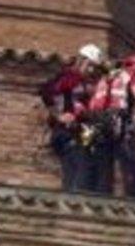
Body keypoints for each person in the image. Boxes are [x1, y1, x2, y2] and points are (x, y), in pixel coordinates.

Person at [82, 54, 135, 197]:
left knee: (97, 155)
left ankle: (98, 192)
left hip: (95, 122)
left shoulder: (106, 75)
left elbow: (84, 77)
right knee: (125, 157)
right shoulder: (132, 76)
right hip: (115, 121)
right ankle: (131, 194)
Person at [39, 44, 102, 191]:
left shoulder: (83, 83)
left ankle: (72, 197)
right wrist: (59, 116)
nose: (92, 71)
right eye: (90, 65)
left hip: (79, 133)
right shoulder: (68, 78)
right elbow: (46, 97)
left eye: (95, 68)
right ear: (82, 60)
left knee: (75, 167)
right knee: (82, 167)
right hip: (67, 132)